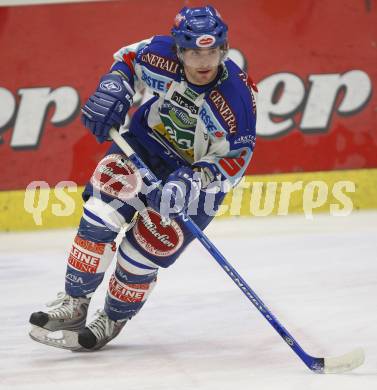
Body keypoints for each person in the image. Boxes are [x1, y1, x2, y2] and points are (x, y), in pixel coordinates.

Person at [29, 5, 257, 351]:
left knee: (142, 254)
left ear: (223, 49)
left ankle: (113, 318)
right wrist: (115, 87)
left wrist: (196, 178)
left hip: (195, 180)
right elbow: (128, 60)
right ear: (179, 49)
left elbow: (236, 159)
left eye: (212, 51)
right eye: (194, 51)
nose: (203, 61)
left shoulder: (237, 99)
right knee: (98, 218)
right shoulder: (159, 54)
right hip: (145, 147)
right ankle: (75, 304)